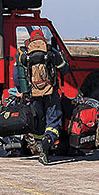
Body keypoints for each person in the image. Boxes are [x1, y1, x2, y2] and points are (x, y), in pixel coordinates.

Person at [19, 29, 69, 165]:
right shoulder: (50, 50)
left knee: (39, 122)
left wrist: (23, 92)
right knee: (54, 122)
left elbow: (18, 78)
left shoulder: (24, 54)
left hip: (33, 94)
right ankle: (46, 146)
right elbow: (64, 69)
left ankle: (40, 146)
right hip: (50, 93)